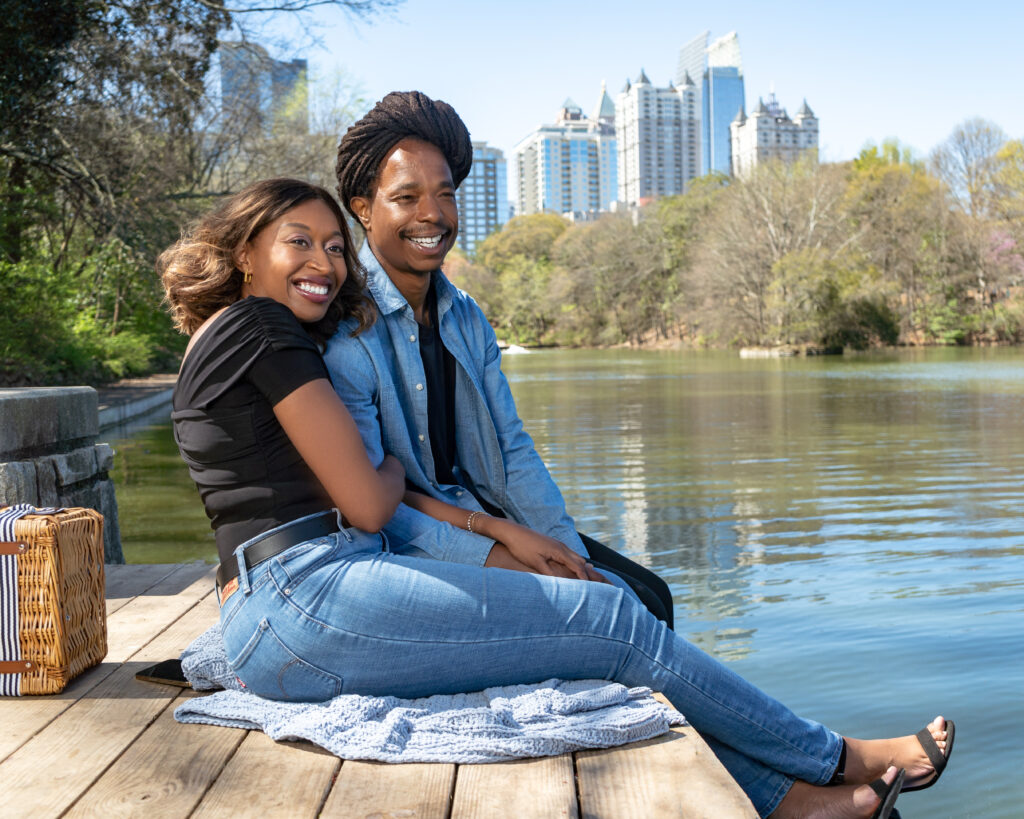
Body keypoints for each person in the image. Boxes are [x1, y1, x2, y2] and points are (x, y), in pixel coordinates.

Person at [159, 177, 953, 819]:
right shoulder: (265, 328)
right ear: (243, 253)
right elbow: (368, 501)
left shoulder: (227, 333)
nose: (326, 263)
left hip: (284, 606)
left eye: (334, 247)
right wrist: (394, 467)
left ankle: (798, 803)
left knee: (598, 639)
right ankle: (836, 755)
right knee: (611, 618)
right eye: (299, 242)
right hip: (309, 595)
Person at [325, 90, 674, 627]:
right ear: (364, 210)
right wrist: (496, 550)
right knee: (611, 611)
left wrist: (563, 550)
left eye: (445, 194)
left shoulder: (465, 317)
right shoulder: (347, 328)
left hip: (485, 515)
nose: (432, 215)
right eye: (406, 197)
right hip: (403, 543)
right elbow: (370, 503)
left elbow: (512, 454)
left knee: (649, 596)